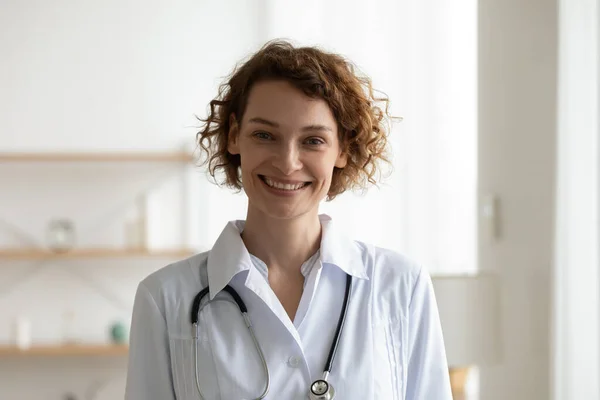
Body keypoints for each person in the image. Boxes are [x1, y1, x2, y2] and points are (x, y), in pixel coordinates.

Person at [124, 40, 452, 400]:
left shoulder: (401, 286)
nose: (287, 162)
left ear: (342, 148)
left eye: (312, 140)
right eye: (265, 135)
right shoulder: (166, 298)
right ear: (234, 136)